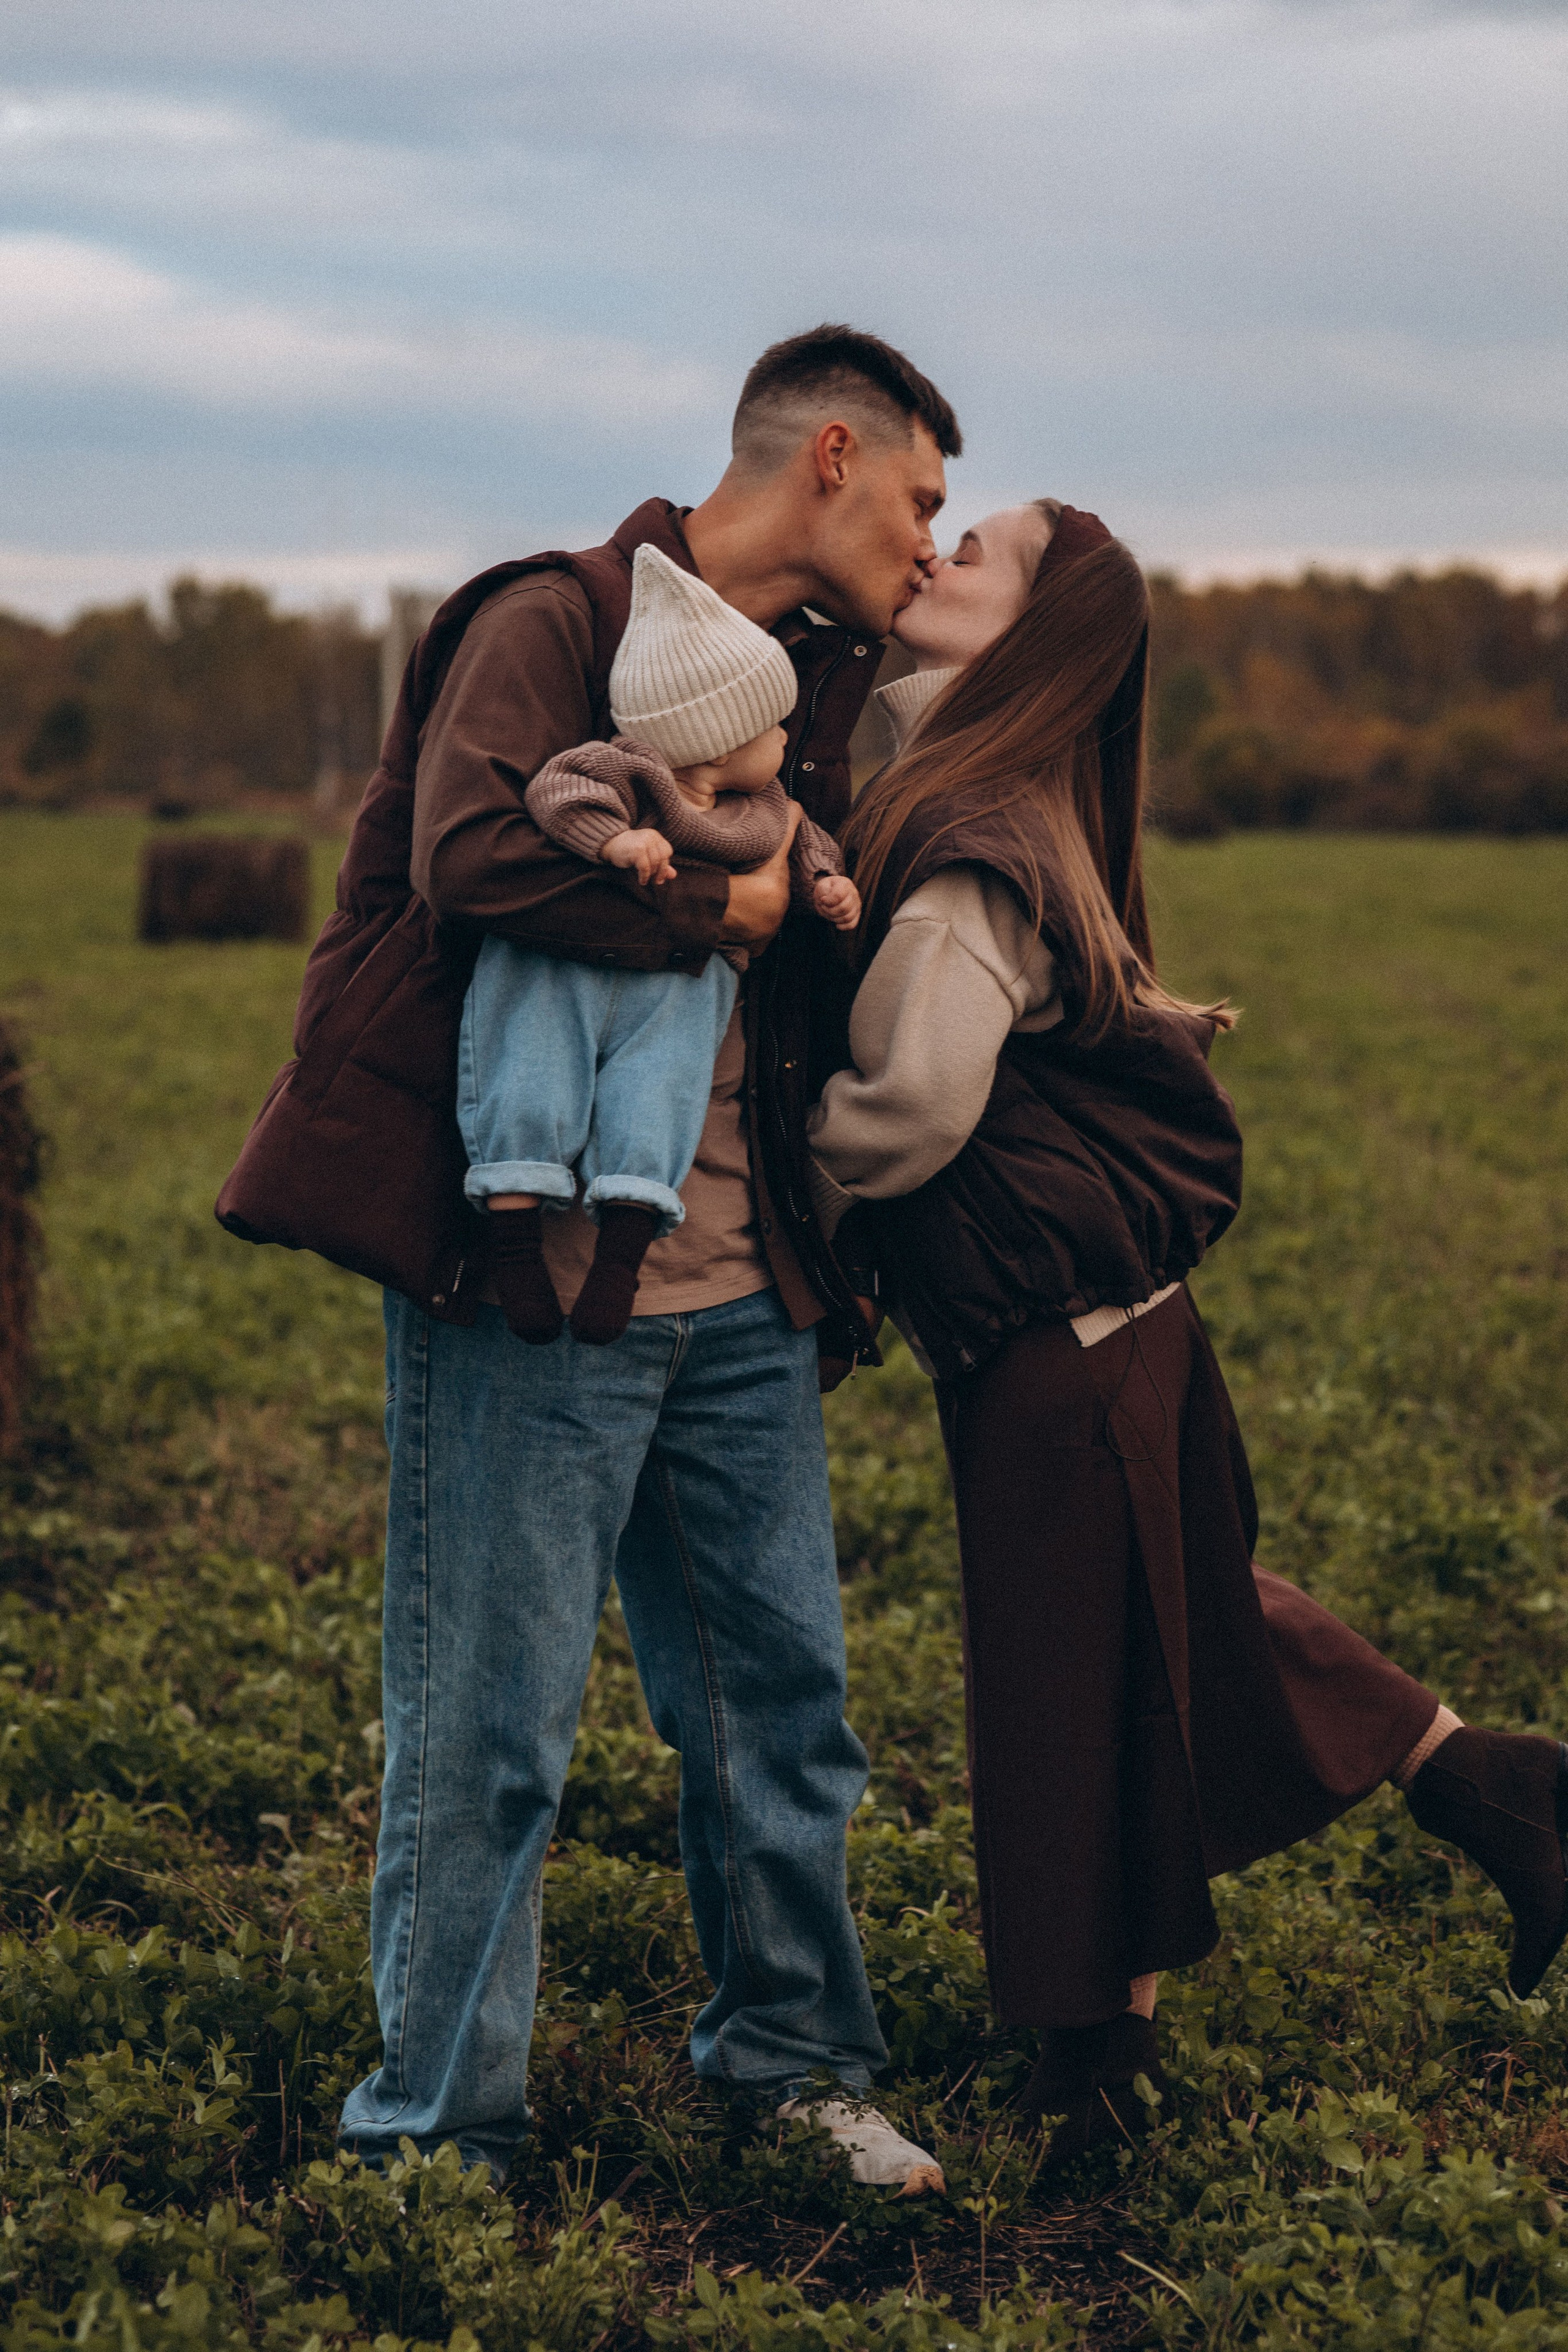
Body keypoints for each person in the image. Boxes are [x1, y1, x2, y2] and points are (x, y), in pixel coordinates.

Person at [222, 325, 965, 2192]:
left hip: (742, 1298)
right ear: (831, 457)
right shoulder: (553, 622)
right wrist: (718, 900)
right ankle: (436, 2146)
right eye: (925, 498)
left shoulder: (817, 683)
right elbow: (475, 857)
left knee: (781, 1718)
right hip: (532, 1283)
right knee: (489, 1735)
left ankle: (793, 2069)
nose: (934, 540)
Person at [807, 500, 1568, 2161]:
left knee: (1070, 1689)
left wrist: (802, 1190)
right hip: (1119, 1332)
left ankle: (1089, 2080)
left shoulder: (974, 821)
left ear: (1036, 634)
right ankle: (1488, 1787)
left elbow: (920, 1100)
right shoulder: (1011, 794)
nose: (936, 559)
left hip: (1060, 1348)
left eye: (976, 553)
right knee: (1163, 1636)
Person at [461, 542, 859, 1349]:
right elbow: (559, 793)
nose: (786, 737)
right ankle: (516, 1247)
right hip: (565, 972)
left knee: (658, 1099)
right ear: (714, 740)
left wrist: (827, 886)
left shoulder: (767, 805)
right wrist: (613, 843)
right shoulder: (628, 768)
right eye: (771, 725)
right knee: (530, 1076)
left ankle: (620, 1259)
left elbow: (808, 840)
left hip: (687, 986)